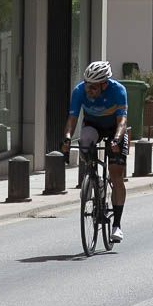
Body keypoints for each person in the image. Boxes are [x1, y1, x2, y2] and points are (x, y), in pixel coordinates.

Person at [61, 61, 128, 243]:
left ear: (104, 84)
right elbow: (72, 119)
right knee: (85, 143)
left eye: (93, 87)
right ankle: (94, 179)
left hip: (115, 128)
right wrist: (67, 138)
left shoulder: (118, 90)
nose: (88, 90)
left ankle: (117, 226)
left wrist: (116, 140)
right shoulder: (79, 90)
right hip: (93, 126)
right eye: (87, 84)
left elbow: (122, 121)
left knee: (116, 175)